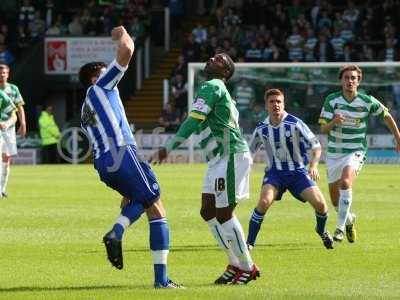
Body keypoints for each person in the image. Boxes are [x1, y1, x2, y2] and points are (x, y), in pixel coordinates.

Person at [78, 26, 182, 289]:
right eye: (104, 69)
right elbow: (127, 49)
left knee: (154, 207)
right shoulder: (102, 86)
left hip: (103, 163)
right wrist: (121, 33)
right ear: (94, 77)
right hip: (121, 152)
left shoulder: (84, 109)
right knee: (153, 196)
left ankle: (161, 280)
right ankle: (117, 232)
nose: (110, 71)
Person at [151, 53, 260, 285]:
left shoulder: (211, 86)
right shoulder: (219, 91)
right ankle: (234, 263)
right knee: (207, 211)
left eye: (219, 59)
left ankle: (248, 267)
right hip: (218, 159)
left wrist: (168, 147)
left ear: (225, 71)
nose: (212, 58)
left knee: (224, 213)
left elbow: (192, 121)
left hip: (231, 156)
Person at [319, 64, 400, 242]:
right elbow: (324, 129)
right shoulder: (332, 100)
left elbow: (386, 114)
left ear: (358, 81)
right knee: (335, 200)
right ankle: (349, 219)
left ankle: (339, 229)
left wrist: (398, 137)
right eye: (346, 77)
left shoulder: (366, 100)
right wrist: (334, 121)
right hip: (334, 153)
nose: (350, 81)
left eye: (353, 78)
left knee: (346, 182)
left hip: (355, 150)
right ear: (341, 80)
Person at [246, 88, 334, 250]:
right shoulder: (261, 128)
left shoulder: (294, 123)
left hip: (298, 173)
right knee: (264, 202)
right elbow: (249, 153)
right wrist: (243, 169)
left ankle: (321, 231)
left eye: (279, 101)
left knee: (321, 205)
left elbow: (316, 145)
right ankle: (249, 243)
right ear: (266, 105)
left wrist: (313, 166)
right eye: (272, 102)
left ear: (284, 104)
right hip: (275, 174)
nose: (276, 105)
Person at [0, 63, 27, 196]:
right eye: (0, 72)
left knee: (6, 159)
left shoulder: (13, 89)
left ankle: (2, 188)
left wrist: (23, 124)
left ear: (8, 74)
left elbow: (19, 108)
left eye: (4, 72)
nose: (2, 74)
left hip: (9, 128)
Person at [0, 89, 17, 197]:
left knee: (5, 160)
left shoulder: (2, 96)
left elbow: (13, 115)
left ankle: (2, 188)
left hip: (5, 132)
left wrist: (6, 123)